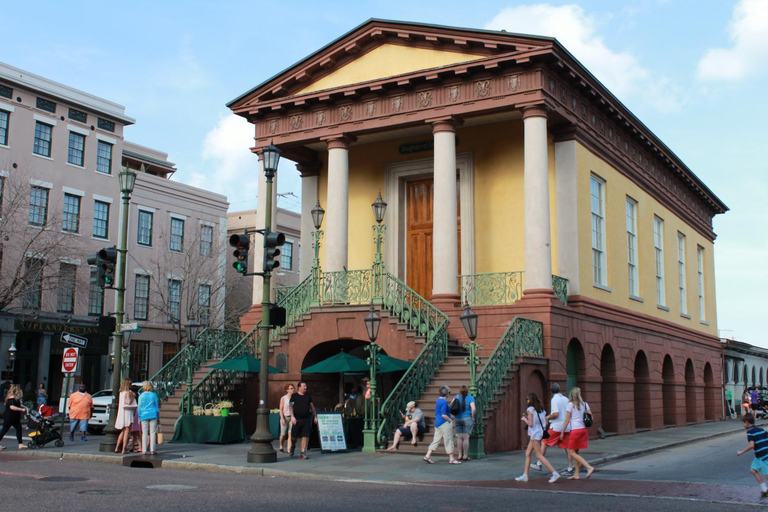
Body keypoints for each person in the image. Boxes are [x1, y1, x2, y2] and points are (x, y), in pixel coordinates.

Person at [515, 393, 560, 483]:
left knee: (538, 455)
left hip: (534, 434)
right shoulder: (542, 410)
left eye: (527, 399)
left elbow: (530, 424)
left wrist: (524, 419)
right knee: (527, 453)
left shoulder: (530, 409)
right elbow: (545, 423)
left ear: (531, 400)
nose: (527, 401)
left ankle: (554, 473)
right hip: (539, 433)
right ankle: (525, 475)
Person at [535, 383, 574, 475]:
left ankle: (539, 463)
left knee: (544, 441)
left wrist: (547, 418)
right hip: (567, 426)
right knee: (567, 447)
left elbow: (556, 414)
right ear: (559, 389)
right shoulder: (566, 399)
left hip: (557, 426)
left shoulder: (554, 399)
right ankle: (570, 467)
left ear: (551, 391)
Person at [559, 387, 595, 480]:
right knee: (576, 452)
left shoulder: (570, 405)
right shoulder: (585, 404)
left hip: (575, 430)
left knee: (571, 452)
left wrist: (562, 432)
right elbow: (592, 417)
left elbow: (567, 419)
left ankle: (588, 467)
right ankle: (576, 474)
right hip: (583, 430)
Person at [423, 386, 460, 465]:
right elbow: (444, 414)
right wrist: (449, 420)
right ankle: (451, 458)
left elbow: (444, 410)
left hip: (438, 422)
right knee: (449, 440)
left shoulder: (439, 400)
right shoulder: (444, 402)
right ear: (446, 393)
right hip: (444, 423)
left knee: (436, 440)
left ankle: (427, 455)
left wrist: (452, 402)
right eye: (449, 392)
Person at [737, 412, 768, 499]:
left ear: (746, 422)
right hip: (759, 456)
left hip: (764, 456)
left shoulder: (750, 432)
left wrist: (741, 452)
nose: (743, 425)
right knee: (753, 470)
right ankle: (765, 490)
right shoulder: (760, 429)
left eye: (743, 423)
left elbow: (752, 445)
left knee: (767, 475)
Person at [290, 381, 317, 459]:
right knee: (294, 437)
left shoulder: (308, 396)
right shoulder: (294, 396)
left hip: (306, 418)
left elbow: (312, 407)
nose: (305, 387)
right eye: (304, 386)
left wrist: (315, 416)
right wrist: (292, 417)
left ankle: (303, 452)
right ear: (299, 387)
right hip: (297, 419)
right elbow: (291, 407)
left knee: (305, 436)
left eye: (306, 386)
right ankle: (293, 446)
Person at [0, 384, 28, 450]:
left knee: (19, 429)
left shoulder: (15, 398)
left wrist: (24, 407)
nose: (19, 391)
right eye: (18, 389)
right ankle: (20, 444)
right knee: (4, 430)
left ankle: (20, 444)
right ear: (16, 390)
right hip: (9, 417)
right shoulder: (11, 398)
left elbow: (18, 404)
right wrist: (21, 409)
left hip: (14, 418)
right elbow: (12, 407)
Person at [453, 386, 476, 461]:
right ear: (467, 391)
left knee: (459, 437)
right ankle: (465, 455)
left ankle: (459, 455)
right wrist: (472, 417)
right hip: (467, 418)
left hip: (457, 418)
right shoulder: (470, 398)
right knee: (466, 438)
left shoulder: (456, 397)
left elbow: (451, 406)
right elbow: (473, 409)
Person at [138, 381, 160, 455]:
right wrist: (158, 416)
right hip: (153, 414)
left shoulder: (141, 396)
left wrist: (139, 415)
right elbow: (157, 406)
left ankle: (144, 450)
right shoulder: (154, 395)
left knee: (144, 433)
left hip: (144, 415)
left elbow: (139, 407)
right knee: (153, 432)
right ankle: (152, 450)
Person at [115, 378, 137, 454]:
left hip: (121, 412)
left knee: (123, 431)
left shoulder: (121, 392)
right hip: (127, 412)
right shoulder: (128, 392)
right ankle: (124, 449)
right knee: (127, 430)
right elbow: (128, 402)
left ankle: (117, 447)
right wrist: (133, 396)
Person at [279, 383, 295, 453]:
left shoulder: (295, 398)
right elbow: (281, 409)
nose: (293, 390)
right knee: (283, 434)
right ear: (287, 390)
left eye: (293, 388)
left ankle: (289, 449)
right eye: (291, 388)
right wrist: (282, 418)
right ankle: (281, 445)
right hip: (285, 417)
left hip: (292, 417)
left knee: (290, 434)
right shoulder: (283, 398)